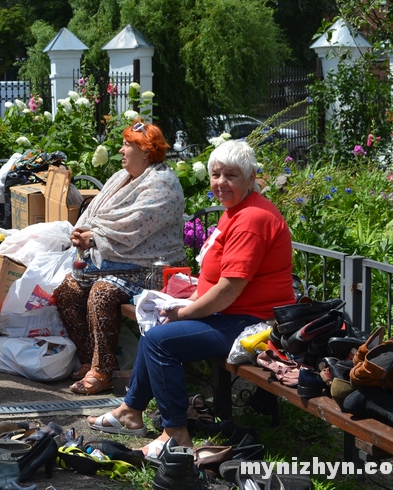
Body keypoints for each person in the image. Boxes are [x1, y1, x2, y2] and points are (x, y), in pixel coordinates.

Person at [87, 140, 296, 454]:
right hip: (234, 314)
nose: (220, 183)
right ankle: (130, 412)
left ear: (251, 178)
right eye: (216, 174)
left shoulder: (252, 219)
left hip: (253, 322)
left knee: (161, 342)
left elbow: (230, 289)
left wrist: (185, 313)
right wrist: (187, 298)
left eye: (231, 176)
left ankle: (176, 436)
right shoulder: (235, 210)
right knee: (156, 333)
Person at [53, 121, 186, 395]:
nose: (121, 150)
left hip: (149, 268)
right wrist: (85, 232)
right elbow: (96, 214)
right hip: (115, 261)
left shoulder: (163, 184)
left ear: (146, 151)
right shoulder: (120, 177)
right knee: (66, 291)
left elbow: (135, 225)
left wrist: (94, 237)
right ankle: (92, 360)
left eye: (128, 145)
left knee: (102, 293)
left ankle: (103, 371)